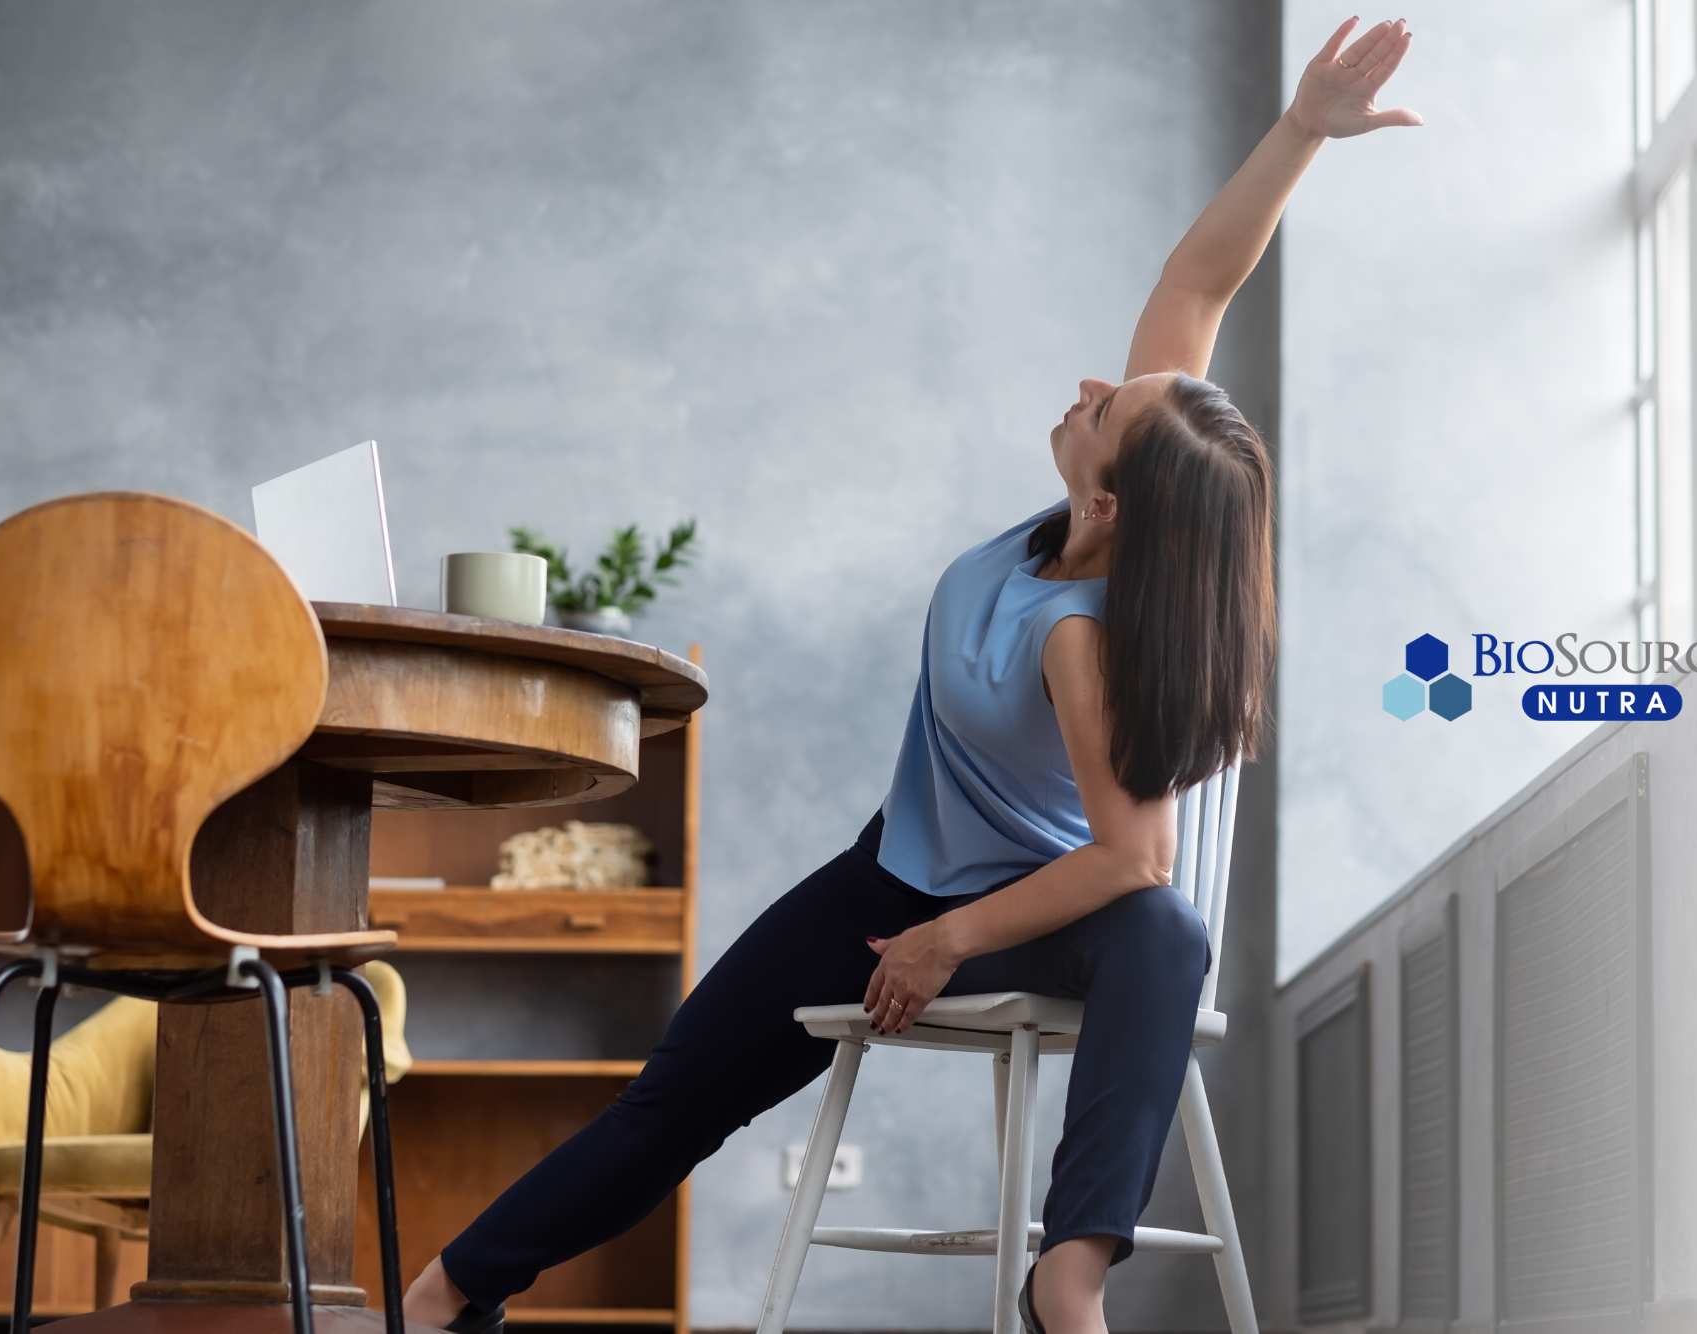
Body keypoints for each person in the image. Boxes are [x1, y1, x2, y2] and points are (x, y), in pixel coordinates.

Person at [405, 17, 1417, 1334]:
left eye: (1108, 405)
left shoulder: (1086, 641)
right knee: (676, 1096)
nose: (1092, 385)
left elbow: (1132, 862)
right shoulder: (1104, 516)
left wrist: (952, 937)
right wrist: (1299, 133)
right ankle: (450, 1286)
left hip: (1041, 906)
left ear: (1111, 502)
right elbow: (1199, 280)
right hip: (892, 869)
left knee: (1165, 930)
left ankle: (1072, 1269)